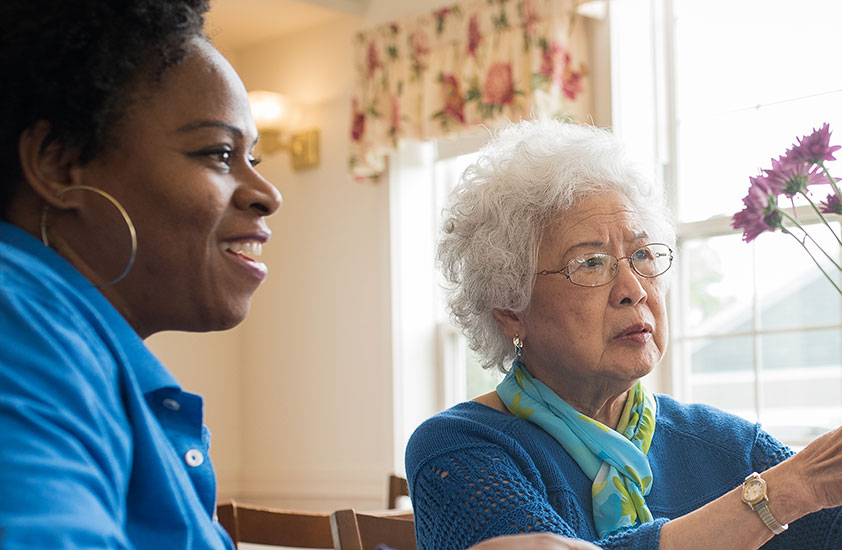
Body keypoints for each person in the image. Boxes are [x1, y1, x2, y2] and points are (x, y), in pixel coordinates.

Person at [0, 3, 596, 550]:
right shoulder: (18, 330)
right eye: (216, 153)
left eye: (253, 158)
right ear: (58, 163)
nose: (267, 193)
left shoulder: (87, 359)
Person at [406, 119, 842, 550]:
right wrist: (783, 490)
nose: (633, 287)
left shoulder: (718, 444)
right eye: (590, 263)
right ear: (509, 307)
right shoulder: (458, 450)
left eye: (643, 255)